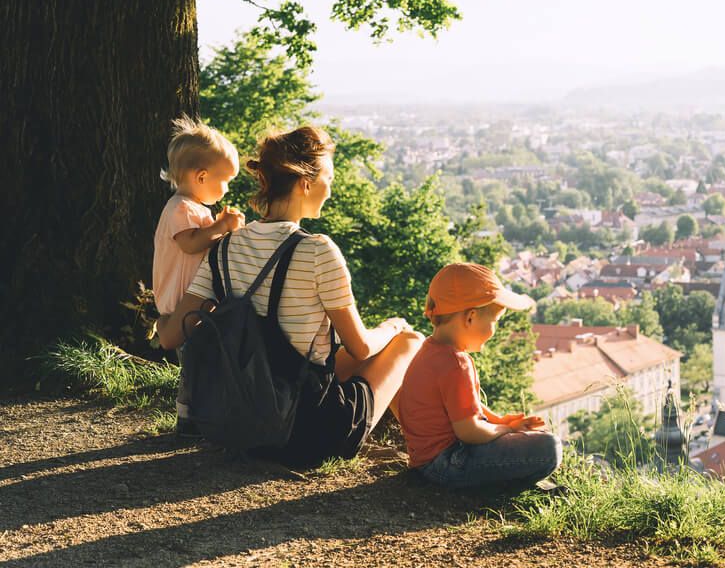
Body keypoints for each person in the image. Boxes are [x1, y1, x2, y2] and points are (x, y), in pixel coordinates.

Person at [157, 125, 424, 466]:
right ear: (305, 182)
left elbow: (168, 337)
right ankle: (429, 451)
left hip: (241, 425)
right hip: (307, 433)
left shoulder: (225, 246)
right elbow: (360, 347)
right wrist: (392, 327)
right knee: (409, 342)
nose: (331, 187)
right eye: (329, 176)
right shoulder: (318, 250)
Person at [399, 263, 562, 488]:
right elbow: (469, 430)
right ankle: (500, 487)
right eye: (494, 322)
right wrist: (507, 430)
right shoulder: (456, 363)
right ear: (471, 318)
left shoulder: (431, 350)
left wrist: (501, 421)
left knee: (532, 443)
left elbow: (465, 409)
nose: (495, 330)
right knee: (549, 448)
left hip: (427, 462)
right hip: (448, 464)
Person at [152, 115, 245, 434]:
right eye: (226, 180)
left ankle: (203, 410)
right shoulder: (179, 208)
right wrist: (220, 227)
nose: (228, 187)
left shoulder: (196, 210)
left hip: (194, 302)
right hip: (181, 303)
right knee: (192, 361)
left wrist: (222, 229)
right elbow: (191, 244)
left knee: (202, 357)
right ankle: (187, 417)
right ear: (202, 176)